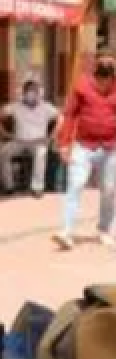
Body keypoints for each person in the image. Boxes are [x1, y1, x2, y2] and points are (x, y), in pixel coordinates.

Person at [54, 52, 116, 250]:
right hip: (84, 145)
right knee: (76, 184)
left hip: (110, 146)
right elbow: (69, 115)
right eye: (100, 80)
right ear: (95, 76)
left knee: (109, 188)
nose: (103, 85)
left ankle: (104, 229)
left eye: (107, 81)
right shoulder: (81, 87)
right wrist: (64, 144)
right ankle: (66, 231)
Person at [0, 79, 58, 197]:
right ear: (23, 93)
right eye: (28, 91)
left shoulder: (46, 107)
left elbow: (62, 118)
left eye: (34, 91)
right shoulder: (15, 106)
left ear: (39, 93)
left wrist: (52, 136)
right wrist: (4, 133)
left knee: (41, 153)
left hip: (38, 141)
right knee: (3, 152)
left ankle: (37, 188)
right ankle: (9, 186)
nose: (31, 94)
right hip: (19, 141)